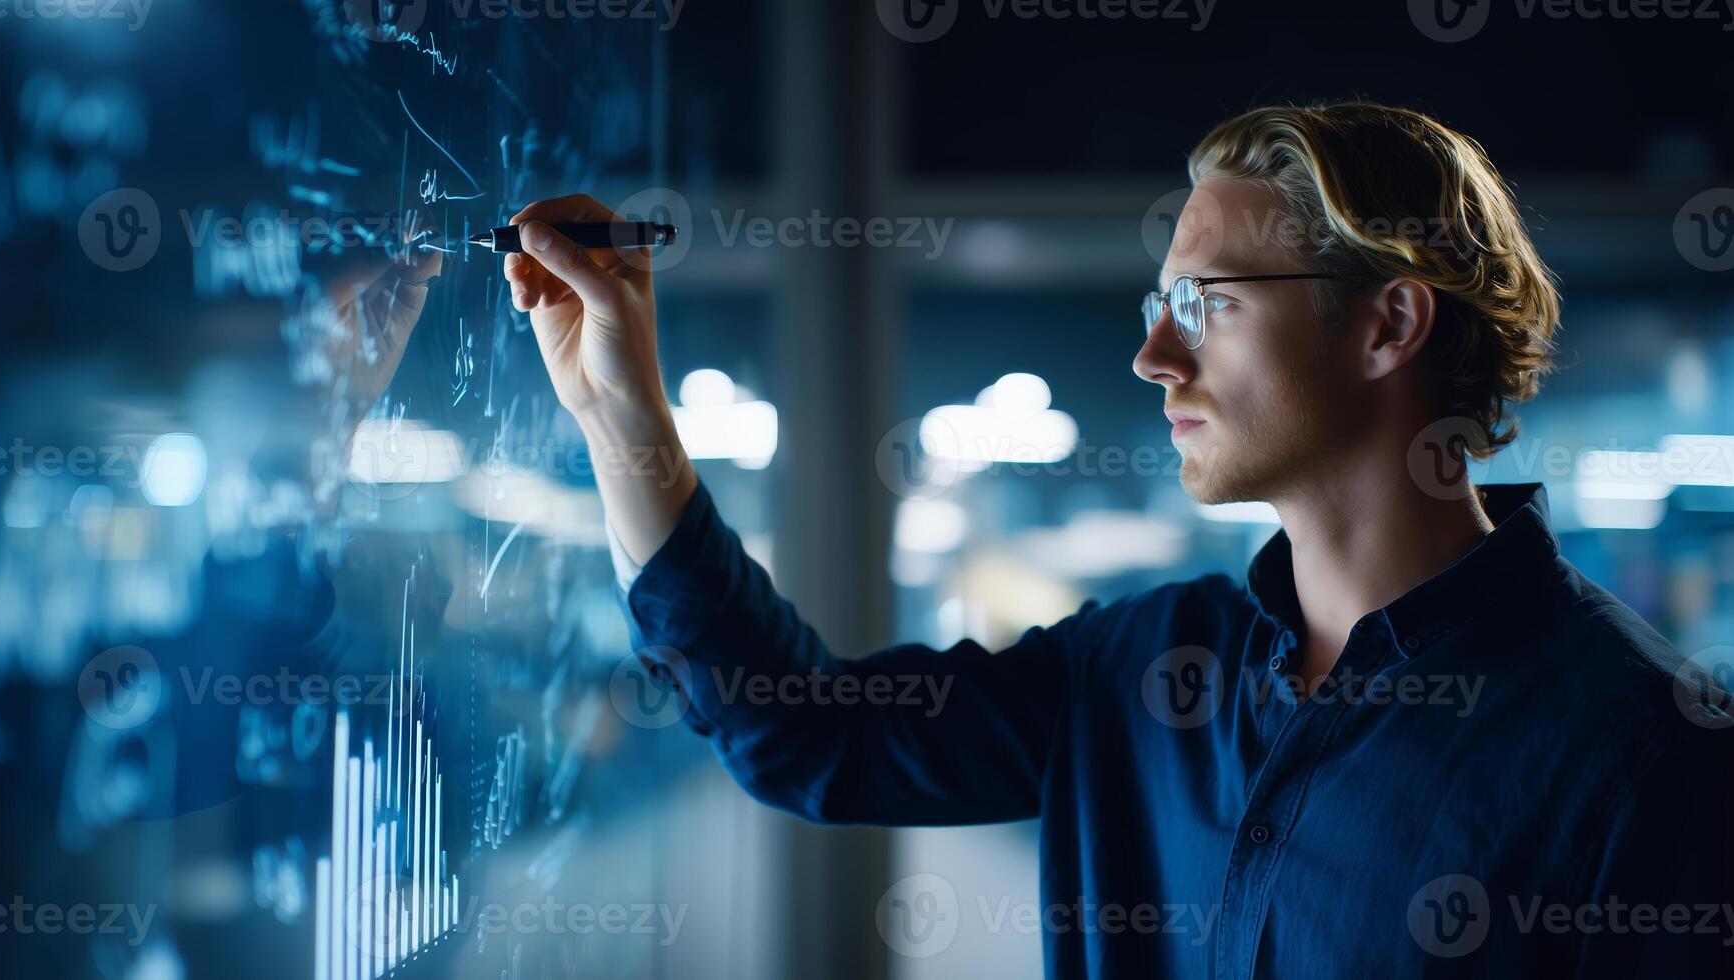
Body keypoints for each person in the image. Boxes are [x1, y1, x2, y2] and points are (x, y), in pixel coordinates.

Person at [501, 101, 1733, 977]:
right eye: (1160, 306)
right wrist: (622, 412)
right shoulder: (1145, 669)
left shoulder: (1641, 753)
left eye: (1207, 305)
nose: (1153, 356)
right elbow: (803, 731)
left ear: (1388, 323)